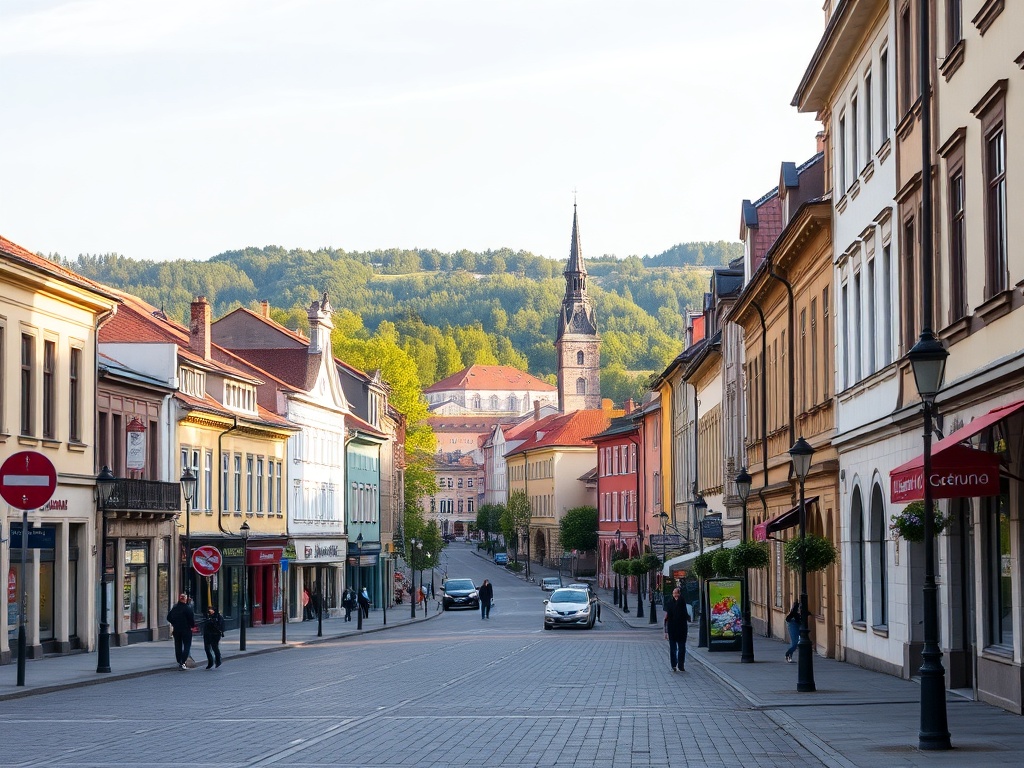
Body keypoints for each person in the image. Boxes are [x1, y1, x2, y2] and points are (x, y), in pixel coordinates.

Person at [166, 593, 196, 670]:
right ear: (185, 599)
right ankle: (183, 661)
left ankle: (179, 661)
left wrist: (174, 623)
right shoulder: (187, 608)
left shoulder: (175, 608)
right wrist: (192, 626)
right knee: (187, 646)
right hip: (186, 629)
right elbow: (191, 619)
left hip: (177, 629)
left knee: (178, 646)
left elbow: (168, 617)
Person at [663, 586, 689, 672]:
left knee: (682, 648)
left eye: (677, 593)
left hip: (682, 629)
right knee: (673, 648)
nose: (675, 595)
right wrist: (666, 631)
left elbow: (685, 614)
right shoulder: (670, 603)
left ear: (679, 594)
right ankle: (673, 665)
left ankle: (681, 665)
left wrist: (688, 618)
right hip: (672, 629)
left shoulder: (682, 602)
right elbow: (667, 618)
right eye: (674, 593)